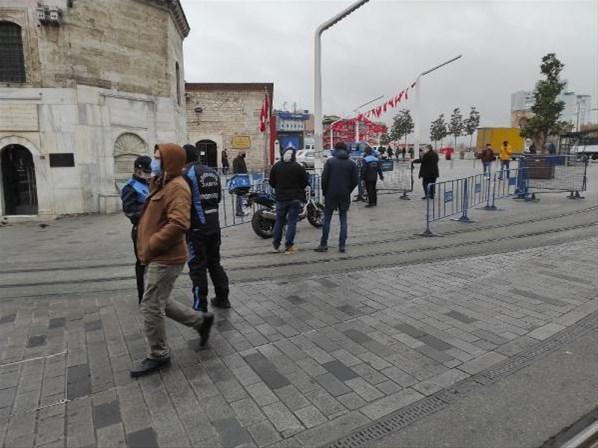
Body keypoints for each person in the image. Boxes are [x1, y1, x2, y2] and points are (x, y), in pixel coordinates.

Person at [130, 143, 214, 378]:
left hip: (165, 256)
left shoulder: (177, 187)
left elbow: (178, 224)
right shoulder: (161, 182)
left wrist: (152, 243)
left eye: (158, 158)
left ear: (170, 162)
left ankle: (158, 354)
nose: (153, 161)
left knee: (150, 305)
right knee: (160, 301)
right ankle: (201, 322)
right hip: (156, 255)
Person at [183, 145, 231, 312]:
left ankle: (200, 306)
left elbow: (183, 201)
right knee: (214, 262)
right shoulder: (212, 172)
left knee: (197, 267)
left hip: (197, 227)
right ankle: (223, 297)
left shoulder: (186, 174)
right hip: (214, 223)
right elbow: (218, 197)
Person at [315, 142, 359, 253]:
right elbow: (355, 181)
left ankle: (323, 244)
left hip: (331, 194)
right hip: (344, 194)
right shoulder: (352, 163)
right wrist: (348, 190)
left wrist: (325, 192)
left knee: (327, 219)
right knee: (343, 219)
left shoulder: (330, 162)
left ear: (335, 149)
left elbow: (324, 179)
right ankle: (342, 245)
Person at [121, 156, 152, 304]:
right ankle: (143, 297)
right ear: (137, 170)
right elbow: (129, 210)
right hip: (140, 230)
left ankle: (154, 294)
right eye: (146, 171)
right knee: (141, 263)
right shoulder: (130, 186)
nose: (148, 174)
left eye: (149, 171)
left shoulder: (150, 183)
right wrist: (150, 211)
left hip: (154, 229)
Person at [268, 147, 309, 254]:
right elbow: (304, 182)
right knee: (292, 222)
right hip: (294, 199)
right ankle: (289, 246)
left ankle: (275, 246)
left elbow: (271, 182)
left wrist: (279, 187)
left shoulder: (276, 166)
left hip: (281, 198)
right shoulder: (298, 167)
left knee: (279, 221)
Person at [232, 151, 248, 217]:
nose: (244, 154)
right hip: (239, 180)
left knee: (243, 197)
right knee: (239, 196)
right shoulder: (236, 160)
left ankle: (242, 210)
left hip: (244, 180)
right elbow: (235, 171)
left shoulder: (242, 160)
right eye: (243, 153)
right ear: (240, 153)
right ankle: (238, 211)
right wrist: (238, 180)